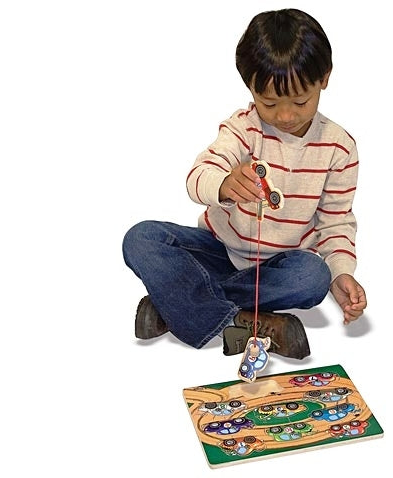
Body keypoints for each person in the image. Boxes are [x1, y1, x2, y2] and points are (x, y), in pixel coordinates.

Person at [122, 8, 366, 360]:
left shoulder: (339, 148)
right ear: (249, 86)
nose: (285, 115)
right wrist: (223, 184)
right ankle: (243, 321)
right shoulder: (243, 129)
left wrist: (341, 273)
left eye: (300, 101)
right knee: (142, 238)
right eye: (269, 102)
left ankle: (175, 305)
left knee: (313, 277)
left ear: (324, 78)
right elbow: (198, 176)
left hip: (278, 269)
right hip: (219, 250)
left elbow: (336, 223)